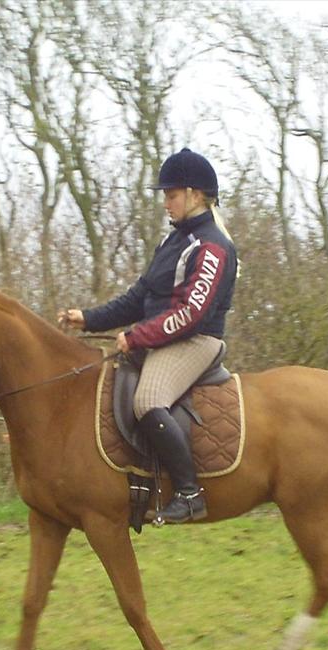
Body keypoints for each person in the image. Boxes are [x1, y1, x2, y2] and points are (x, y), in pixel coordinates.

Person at [59, 148, 238, 523]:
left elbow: (191, 313)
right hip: (163, 337)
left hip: (195, 341)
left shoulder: (212, 247)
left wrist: (138, 337)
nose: (165, 203)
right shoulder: (172, 243)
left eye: (171, 195)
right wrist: (87, 319)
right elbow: (139, 298)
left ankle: (190, 493)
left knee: (148, 400)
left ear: (194, 195)